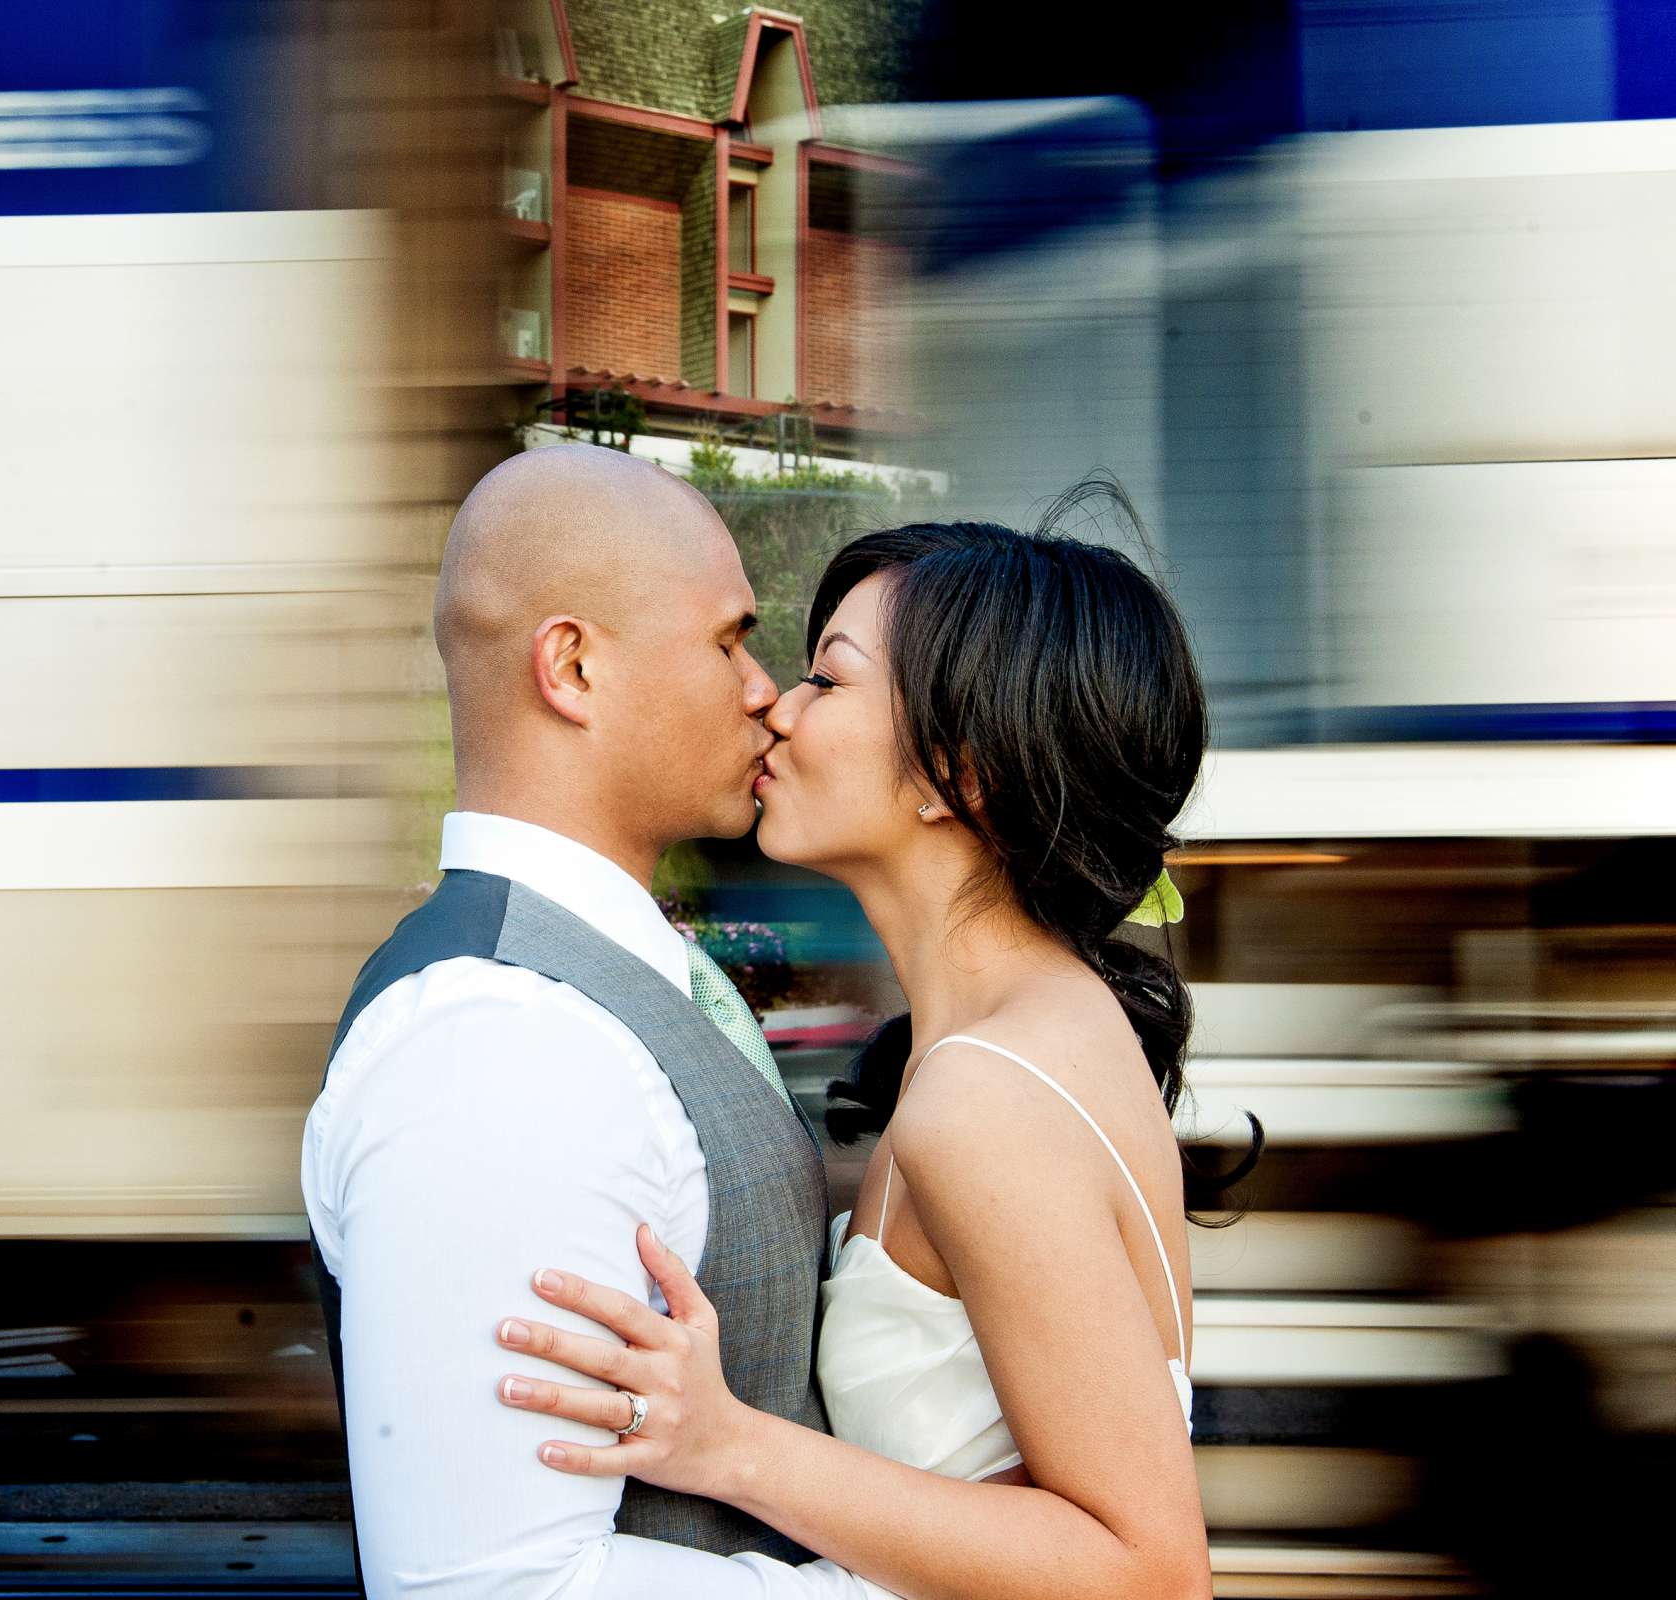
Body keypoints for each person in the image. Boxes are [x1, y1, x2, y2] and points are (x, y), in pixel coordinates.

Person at [490, 485, 1259, 1600]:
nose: (777, 709)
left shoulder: (986, 1099)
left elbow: (1149, 1572)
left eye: (829, 676)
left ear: (962, 772)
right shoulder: (1033, 1025)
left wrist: (728, 1444)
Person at [301, 442, 876, 1595]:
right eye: (727, 640)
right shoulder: (494, 1050)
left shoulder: (591, 985)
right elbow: (491, 1587)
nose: (763, 686)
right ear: (571, 667)